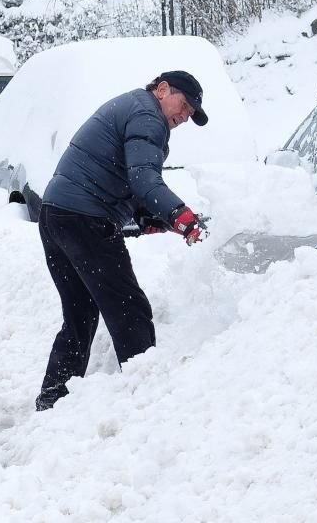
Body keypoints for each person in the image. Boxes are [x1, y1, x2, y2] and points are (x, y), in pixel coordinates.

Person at [34, 70, 209, 411]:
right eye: (184, 105)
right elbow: (144, 178)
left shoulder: (132, 108)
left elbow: (121, 179)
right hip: (84, 219)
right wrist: (181, 217)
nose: (184, 116)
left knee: (80, 314)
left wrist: (147, 219)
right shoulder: (148, 115)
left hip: (56, 215)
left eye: (190, 114)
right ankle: (145, 401)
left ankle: (52, 403)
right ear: (162, 90)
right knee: (131, 309)